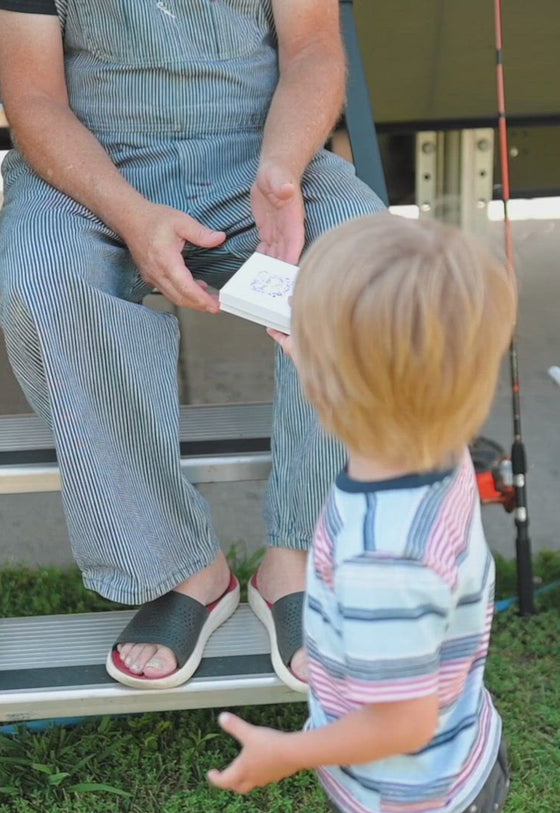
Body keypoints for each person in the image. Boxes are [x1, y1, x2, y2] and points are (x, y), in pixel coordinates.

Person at [0, 0, 387, 689]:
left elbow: (314, 50)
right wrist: (131, 218)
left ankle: (299, 556)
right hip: (94, 167)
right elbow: (35, 100)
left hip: (257, 150)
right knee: (46, 278)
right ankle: (182, 568)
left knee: (366, 267)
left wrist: (280, 174)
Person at [207, 213, 518, 813]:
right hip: (464, 750)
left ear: (335, 386)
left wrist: (287, 751)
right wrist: (323, 363)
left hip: (411, 795)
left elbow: (403, 724)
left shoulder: (385, 559)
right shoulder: (438, 445)